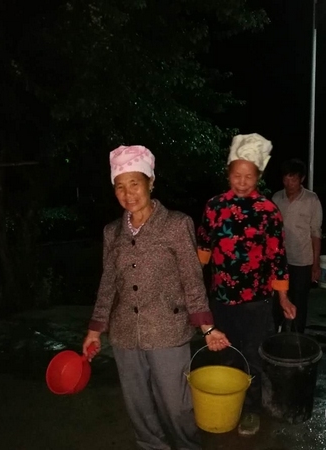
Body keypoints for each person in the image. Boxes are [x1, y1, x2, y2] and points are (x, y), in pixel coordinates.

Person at [83, 145, 230, 450]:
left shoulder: (177, 224)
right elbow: (108, 283)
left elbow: (192, 279)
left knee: (177, 406)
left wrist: (207, 327)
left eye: (134, 183)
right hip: (125, 334)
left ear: (150, 182)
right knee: (138, 405)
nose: (128, 193)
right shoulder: (112, 232)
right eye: (120, 186)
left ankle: (187, 446)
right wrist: (95, 330)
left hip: (168, 331)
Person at [197, 133, 297, 437]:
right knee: (224, 355)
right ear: (228, 173)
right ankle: (225, 404)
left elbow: (277, 256)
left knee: (254, 357)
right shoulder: (214, 207)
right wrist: (190, 288)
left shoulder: (268, 211)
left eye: (249, 176)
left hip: (257, 301)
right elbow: (202, 251)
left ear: (259, 177)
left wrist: (283, 297)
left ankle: (251, 410)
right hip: (221, 299)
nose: (242, 182)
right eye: (236, 175)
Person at [271, 158, 323, 333]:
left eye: (293, 179)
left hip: (302, 261)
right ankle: (277, 333)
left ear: (302, 179)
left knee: (300, 301)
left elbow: (316, 233)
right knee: (277, 301)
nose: (289, 183)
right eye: (286, 179)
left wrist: (316, 264)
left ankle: (298, 336)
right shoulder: (276, 198)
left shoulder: (311, 199)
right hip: (280, 261)